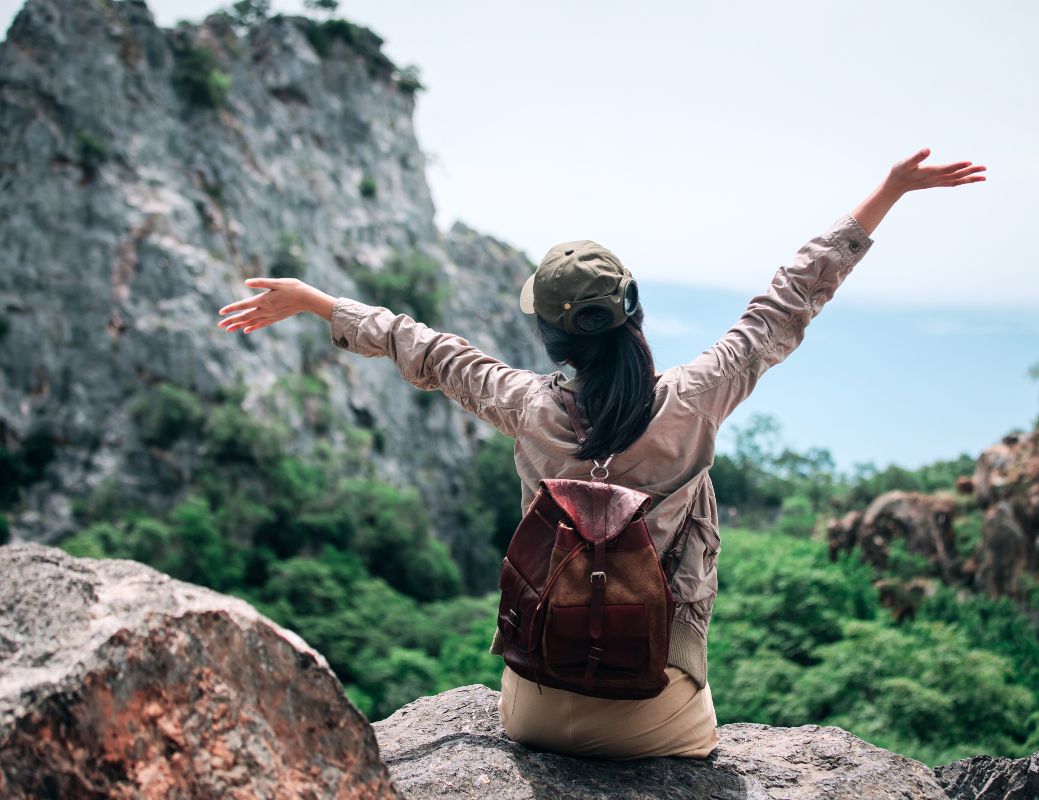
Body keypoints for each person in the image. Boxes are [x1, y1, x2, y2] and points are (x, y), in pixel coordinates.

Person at [216, 147, 986, 760]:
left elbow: (429, 350)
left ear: (551, 337)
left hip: (534, 709)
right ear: (635, 315)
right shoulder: (696, 398)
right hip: (658, 715)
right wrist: (886, 191)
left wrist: (318, 302)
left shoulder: (525, 405)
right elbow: (785, 302)